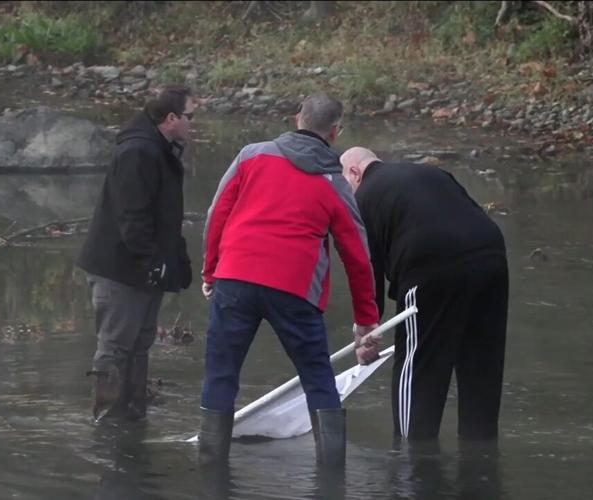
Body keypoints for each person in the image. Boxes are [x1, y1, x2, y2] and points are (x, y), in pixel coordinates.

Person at [198, 94, 380, 466]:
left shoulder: (252, 155)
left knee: (221, 374)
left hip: (235, 277)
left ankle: (209, 470)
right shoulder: (334, 181)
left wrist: (210, 270)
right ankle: (332, 479)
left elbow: (218, 213)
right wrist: (366, 319)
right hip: (295, 289)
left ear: (297, 118)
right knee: (318, 380)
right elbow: (357, 255)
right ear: (335, 132)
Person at [339, 147, 509, 441]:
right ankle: (480, 457)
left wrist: (366, 333)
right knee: (481, 365)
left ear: (355, 173)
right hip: (491, 259)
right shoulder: (432, 173)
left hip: (431, 267)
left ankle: (410, 456)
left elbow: (366, 270)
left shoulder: (364, 197)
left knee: (418, 367)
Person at [77, 85, 196, 422]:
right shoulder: (138, 152)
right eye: (190, 116)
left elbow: (165, 216)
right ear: (171, 118)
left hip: (143, 267)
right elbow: (132, 215)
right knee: (115, 345)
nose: (193, 123)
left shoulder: (160, 149)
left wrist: (175, 261)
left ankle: (131, 414)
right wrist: (152, 263)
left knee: (140, 341)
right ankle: (107, 421)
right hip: (119, 268)